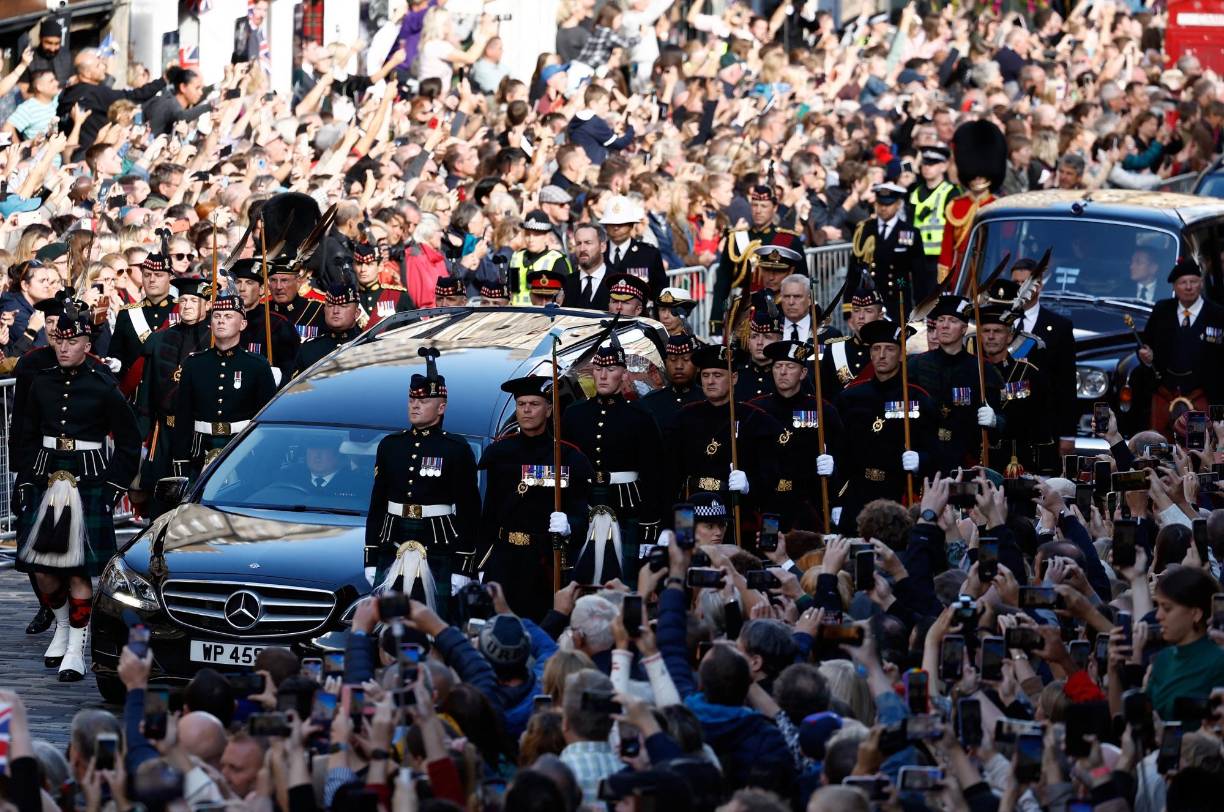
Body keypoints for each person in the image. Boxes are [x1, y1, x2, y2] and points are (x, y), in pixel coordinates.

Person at [13, 295, 140, 681]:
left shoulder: (102, 385)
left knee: (78, 571)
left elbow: (129, 440)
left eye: (73, 342)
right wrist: (27, 479)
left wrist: (113, 487)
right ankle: (63, 625)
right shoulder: (42, 382)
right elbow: (26, 433)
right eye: (60, 341)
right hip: (46, 477)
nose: (64, 347)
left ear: (87, 344)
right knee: (43, 570)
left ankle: (76, 647)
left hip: (88, 481)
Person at [365, 349, 480, 615]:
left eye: (424, 401)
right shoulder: (390, 445)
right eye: (411, 400)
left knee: (434, 621)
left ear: (441, 407)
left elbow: (469, 511)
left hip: (438, 541)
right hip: (393, 537)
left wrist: (463, 566)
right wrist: (370, 556)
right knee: (387, 622)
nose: (415, 405)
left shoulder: (455, 449)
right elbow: (377, 503)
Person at [477, 374, 594, 621]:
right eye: (521, 404)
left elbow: (580, 513)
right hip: (504, 560)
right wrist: (480, 563)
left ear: (548, 410)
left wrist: (569, 526)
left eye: (534, 404)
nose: (527, 410)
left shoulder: (567, 457)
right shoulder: (499, 453)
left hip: (543, 562)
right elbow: (489, 514)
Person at [562, 338, 663, 585]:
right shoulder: (574, 414)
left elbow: (654, 473)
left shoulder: (640, 416)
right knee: (580, 580)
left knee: (623, 580)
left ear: (624, 374)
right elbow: (564, 466)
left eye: (611, 369)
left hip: (627, 502)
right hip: (583, 503)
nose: (604, 376)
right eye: (598, 369)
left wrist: (649, 525)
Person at [668, 343, 784, 543]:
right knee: (686, 556)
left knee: (735, 557)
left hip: (736, 509)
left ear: (734, 378)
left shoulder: (755, 420)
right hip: (690, 510)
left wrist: (749, 485)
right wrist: (667, 526)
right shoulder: (684, 418)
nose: (710, 381)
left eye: (718, 375)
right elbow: (670, 475)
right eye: (705, 375)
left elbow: (772, 475)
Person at [833, 319, 937, 530]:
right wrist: (837, 498)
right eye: (876, 349)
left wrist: (920, 460)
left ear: (901, 355)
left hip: (898, 490)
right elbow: (839, 451)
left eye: (889, 349)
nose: (881, 355)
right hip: (858, 493)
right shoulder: (850, 397)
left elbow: (935, 449)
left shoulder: (917, 397)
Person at [170, 290, 276, 481]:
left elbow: (266, 420)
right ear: (210, 323)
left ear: (242, 324)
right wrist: (181, 461)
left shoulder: (257, 365)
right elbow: (183, 417)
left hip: (241, 447)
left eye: (228, 316)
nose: (221, 321)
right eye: (217, 316)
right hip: (200, 449)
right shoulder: (194, 364)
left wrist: (264, 459)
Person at [748, 340, 846, 533]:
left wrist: (833, 471)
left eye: (790, 366)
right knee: (770, 548)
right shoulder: (756, 410)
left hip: (809, 504)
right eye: (778, 366)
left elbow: (843, 454)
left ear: (803, 373)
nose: (783, 372)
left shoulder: (822, 410)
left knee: (810, 549)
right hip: (769, 505)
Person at [134, 278, 211, 516]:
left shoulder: (213, 339)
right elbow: (148, 391)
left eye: (194, 301)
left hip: (196, 434)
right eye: (183, 300)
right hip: (165, 432)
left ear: (208, 304)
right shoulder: (161, 339)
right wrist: (142, 434)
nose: (187, 305)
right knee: (159, 500)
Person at [907, 295, 1006, 475]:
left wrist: (995, 421)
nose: (944, 325)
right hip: (924, 459)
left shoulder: (982, 369)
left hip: (967, 461)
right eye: (941, 320)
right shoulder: (915, 366)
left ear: (964, 329)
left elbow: (1003, 418)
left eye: (952, 321)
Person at [1139, 257, 1224, 436]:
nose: (1188, 287)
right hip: (1165, 395)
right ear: (1174, 287)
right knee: (1160, 446)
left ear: (1201, 283)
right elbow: (1145, 345)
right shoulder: (1162, 310)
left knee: (1199, 447)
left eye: (1193, 281)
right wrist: (1146, 357)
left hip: (1206, 397)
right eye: (1183, 283)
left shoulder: (1218, 314)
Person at [977, 285, 1054, 474]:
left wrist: (998, 421)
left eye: (998, 331)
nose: (991, 337)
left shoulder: (1027, 373)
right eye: (986, 331)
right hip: (977, 458)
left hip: (1014, 461)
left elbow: (1034, 420)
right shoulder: (971, 370)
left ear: (1010, 336)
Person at [712, 186, 803, 333]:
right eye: (754, 205)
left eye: (764, 206)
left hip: (780, 312)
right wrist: (716, 322)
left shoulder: (789, 239)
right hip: (743, 313)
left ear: (775, 208)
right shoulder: (736, 238)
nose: (758, 210)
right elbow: (722, 283)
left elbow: (801, 281)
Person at [1009, 257, 1077, 453]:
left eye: (1024, 283)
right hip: (1005, 423)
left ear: (1038, 286)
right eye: (1015, 283)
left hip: (1045, 424)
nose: (1019, 289)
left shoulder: (1060, 327)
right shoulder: (998, 323)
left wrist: (1067, 435)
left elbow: (1066, 383)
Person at [54, 48, 167, 158]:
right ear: (87, 73)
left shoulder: (68, 93)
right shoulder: (95, 92)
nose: (104, 67)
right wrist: (163, 80)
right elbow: (136, 96)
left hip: (71, 154)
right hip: (92, 155)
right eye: (98, 65)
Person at [936, 120, 1007, 287]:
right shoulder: (956, 205)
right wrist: (945, 281)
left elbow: (1005, 246)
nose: (978, 179)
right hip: (959, 272)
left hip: (988, 269)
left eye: (981, 176)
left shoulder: (999, 206)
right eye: (974, 175)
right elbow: (947, 249)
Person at [107, 250, 177, 396]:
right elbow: (116, 354)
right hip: (137, 393)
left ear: (170, 278)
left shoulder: (180, 311)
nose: (152, 279)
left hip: (171, 394)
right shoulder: (128, 313)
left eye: (158, 275)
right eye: (147, 275)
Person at [849, 183, 928, 310]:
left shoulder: (910, 232)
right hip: (870, 300)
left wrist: (921, 308)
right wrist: (848, 308)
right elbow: (853, 271)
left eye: (888, 204)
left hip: (899, 298)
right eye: (880, 204)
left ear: (898, 204)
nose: (883, 208)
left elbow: (919, 275)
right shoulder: (865, 229)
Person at [231, 259, 300, 385]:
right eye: (237, 282)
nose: (242, 288)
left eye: (249, 283)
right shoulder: (221, 321)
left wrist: (278, 379)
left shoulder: (278, 325)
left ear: (262, 289)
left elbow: (291, 371)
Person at [293, 267, 363, 375]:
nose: (335, 311)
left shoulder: (368, 345)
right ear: (324, 310)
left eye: (343, 306)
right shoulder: (308, 348)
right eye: (330, 306)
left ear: (357, 313)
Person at [907, 144, 959, 285]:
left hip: (940, 259)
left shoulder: (951, 192)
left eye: (932, 164)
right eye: (925, 163)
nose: (927, 167)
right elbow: (908, 225)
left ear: (944, 166)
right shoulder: (915, 192)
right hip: (916, 257)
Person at [821, 285, 884, 396]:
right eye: (856, 310)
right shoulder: (834, 350)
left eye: (868, 311)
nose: (861, 316)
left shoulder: (887, 350)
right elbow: (825, 395)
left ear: (880, 316)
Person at [601, 196, 667, 298]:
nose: (616, 227)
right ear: (605, 226)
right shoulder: (598, 253)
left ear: (631, 225)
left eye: (621, 223)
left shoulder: (649, 254)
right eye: (611, 223)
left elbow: (660, 291)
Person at [640, 334, 704, 435]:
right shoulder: (649, 403)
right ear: (666, 363)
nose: (678, 366)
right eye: (673, 360)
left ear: (698, 366)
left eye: (686, 359)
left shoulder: (708, 400)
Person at [509, 212, 572, 305]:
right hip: (516, 313)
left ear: (547, 236)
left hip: (544, 313)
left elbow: (566, 296)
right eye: (528, 234)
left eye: (537, 234)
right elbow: (513, 290)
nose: (531, 239)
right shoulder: (516, 257)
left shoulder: (557, 260)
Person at [353, 242, 413, 330]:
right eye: (359, 264)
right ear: (354, 266)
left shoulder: (399, 296)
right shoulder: (350, 300)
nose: (363, 269)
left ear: (380, 266)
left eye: (369, 264)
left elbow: (415, 330)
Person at [267, 262, 325, 342]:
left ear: (298, 282)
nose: (278, 287)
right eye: (273, 280)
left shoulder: (317, 310)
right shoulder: (262, 311)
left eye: (284, 280)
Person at [735, 305, 782, 401]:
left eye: (767, 337)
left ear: (779, 342)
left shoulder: (787, 376)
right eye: (754, 336)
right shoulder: (736, 375)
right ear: (748, 342)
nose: (759, 342)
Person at [564, 223, 612, 310]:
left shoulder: (617, 282)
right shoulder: (566, 283)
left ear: (603, 247)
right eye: (578, 243)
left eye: (588, 243)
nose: (582, 249)